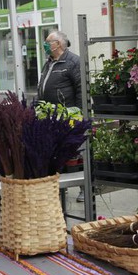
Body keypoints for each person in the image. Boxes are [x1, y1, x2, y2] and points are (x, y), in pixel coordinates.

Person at [37, 30, 85, 201]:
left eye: (48, 42)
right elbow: (42, 85)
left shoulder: (73, 62)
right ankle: (58, 188)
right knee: (55, 153)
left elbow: (82, 89)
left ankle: (84, 188)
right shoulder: (49, 62)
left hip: (69, 115)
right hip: (50, 117)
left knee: (76, 152)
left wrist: (80, 114)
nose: (45, 45)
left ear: (58, 44)